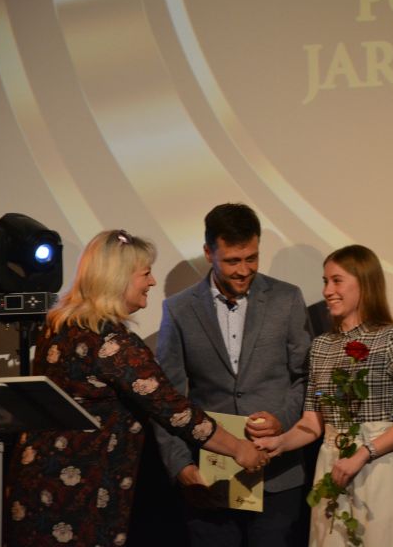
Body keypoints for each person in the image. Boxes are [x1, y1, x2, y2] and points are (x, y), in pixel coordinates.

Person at [3, 229, 268, 547]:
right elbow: (175, 411)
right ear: (118, 278)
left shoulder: (59, 325)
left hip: (37, 482)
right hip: (80, 496)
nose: (152, 282)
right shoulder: (112, 342)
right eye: (145, 273)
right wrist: (239, 449)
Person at [153, 203, 312, 547]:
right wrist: (180, 466)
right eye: (232, 261)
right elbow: (167, 399)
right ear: (208, 253)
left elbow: (305, 378)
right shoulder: (178, 309)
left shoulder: (287, 298)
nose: (244, 270)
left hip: (277, 474)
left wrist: (282, 420)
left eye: (252, 258)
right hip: (209, 477)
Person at [257, 244, 393, 547]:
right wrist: (280, 443)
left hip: (379, 466)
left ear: (364, 283)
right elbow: (312, 421)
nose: (327, 291)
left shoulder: (392, 337)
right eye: (325, 281)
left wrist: (363, 453)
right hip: (332, 467)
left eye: (337, 281)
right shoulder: (321, 346)